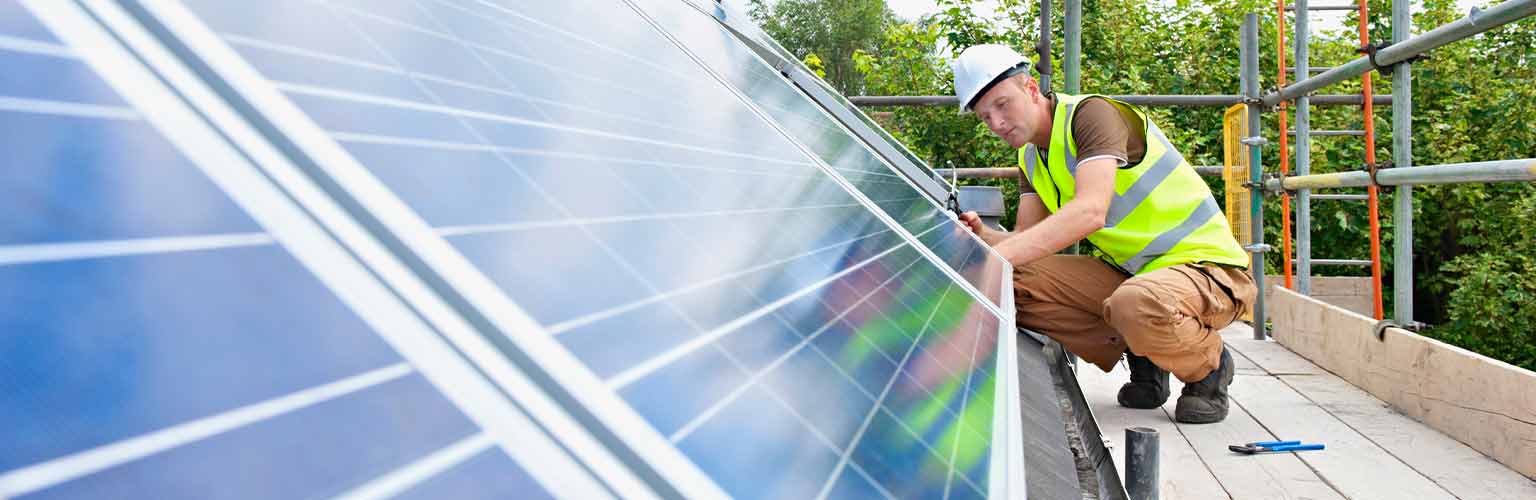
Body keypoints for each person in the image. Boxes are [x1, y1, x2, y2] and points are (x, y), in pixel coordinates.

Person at [951, 44, 1257, 423]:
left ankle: (1208, 369)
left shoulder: (1091, 115)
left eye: (1002, 104)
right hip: (1136, 277)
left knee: (1137, 302)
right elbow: (1026, 240)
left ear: (1030, 89)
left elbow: (1090, 211)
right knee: (1013, 284)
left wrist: (997, 261)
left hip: (1205, 269)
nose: (996, 123)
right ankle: (1145, 352)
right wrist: (984, 238)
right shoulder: (1031, 157)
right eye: (985, 117)